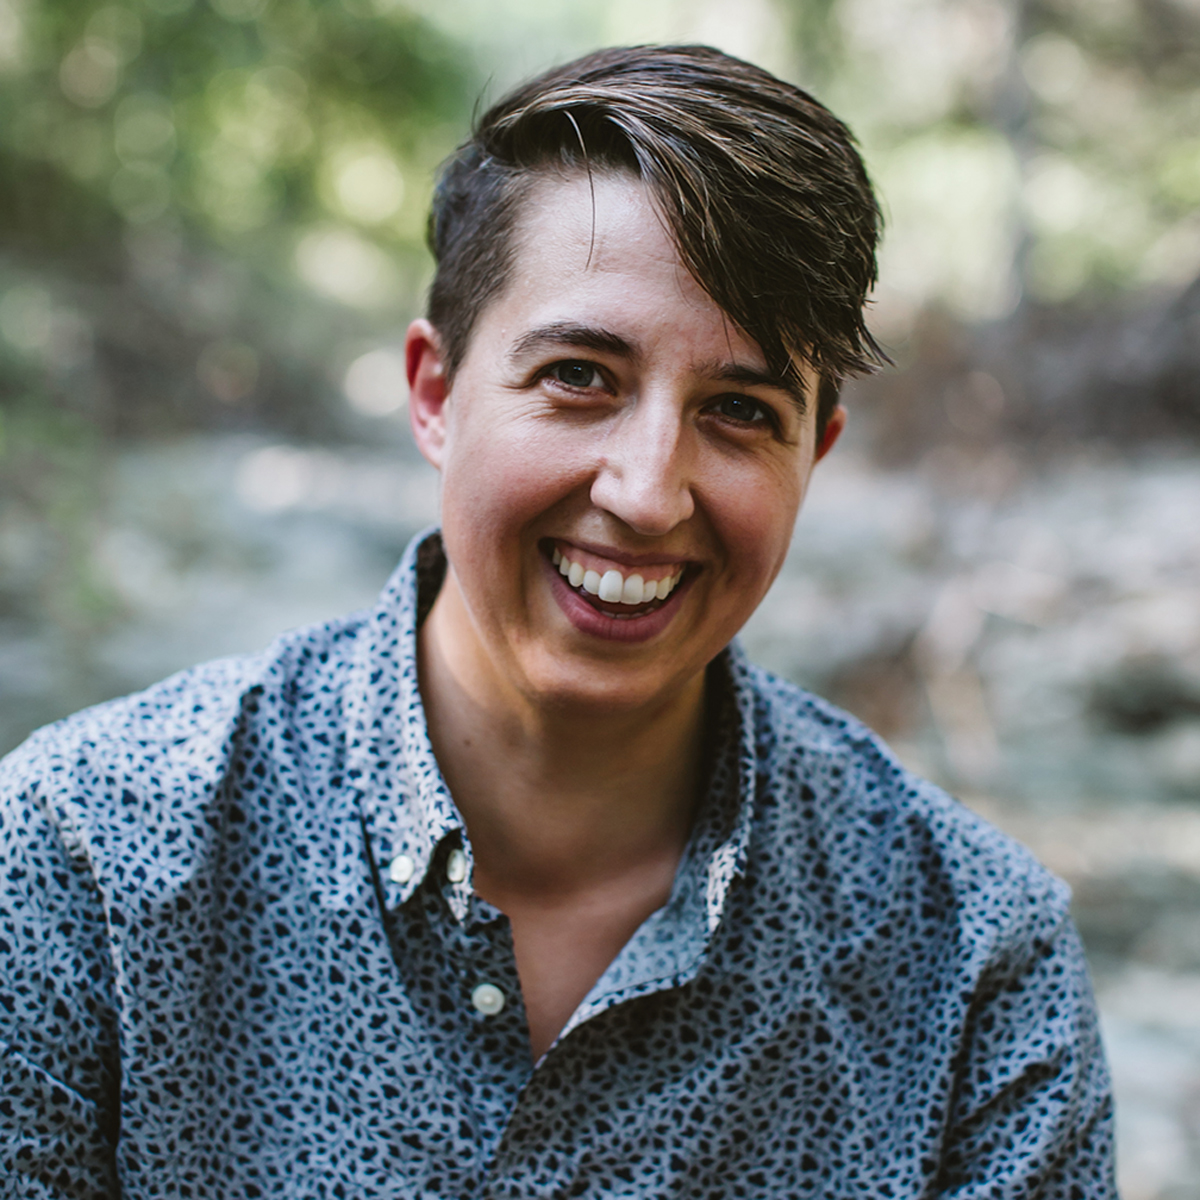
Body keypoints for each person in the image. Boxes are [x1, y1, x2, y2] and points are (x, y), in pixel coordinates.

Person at [0, 45, 1115, 1198]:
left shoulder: (976, 965)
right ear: (435, 394)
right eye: (581, 376)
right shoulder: (86, 861)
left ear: (812, 456)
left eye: (739, 410)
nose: (646, 491)